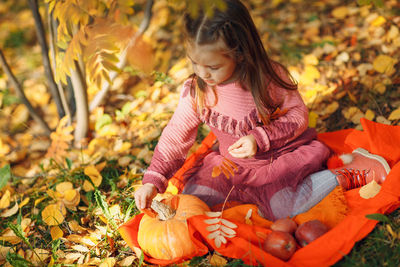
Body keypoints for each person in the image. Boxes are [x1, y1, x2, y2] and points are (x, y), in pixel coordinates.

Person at [134, 0, 391, 220]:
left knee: (281, 209)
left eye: (212, 67)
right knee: (193, 200)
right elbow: (175, 138)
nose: (202, 73)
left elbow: (298, 116)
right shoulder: (196, 91)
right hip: (233, 166)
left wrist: (260, 138)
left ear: (240, 53)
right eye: (194, 63)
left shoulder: (266, 77)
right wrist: (152, 180)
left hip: (279, 157)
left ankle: (347, 172)